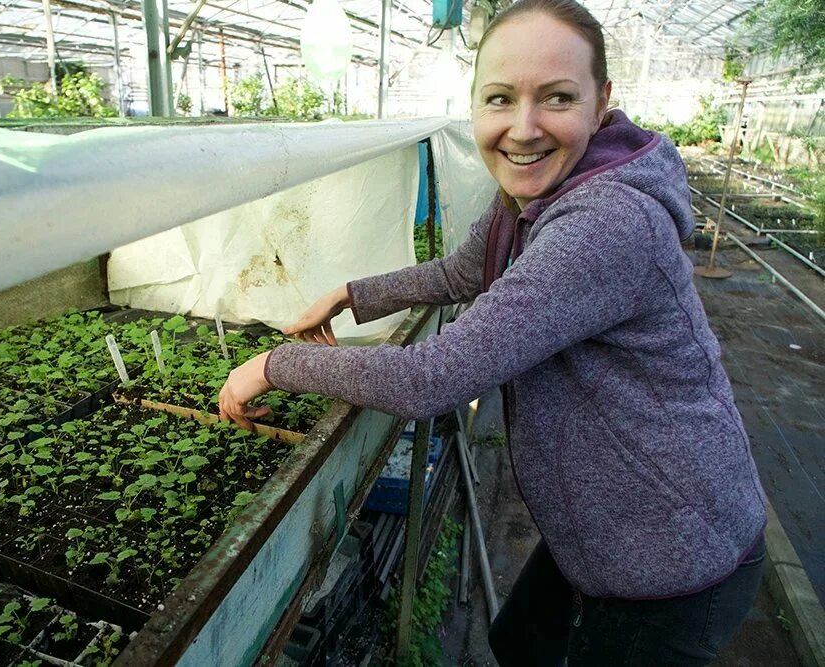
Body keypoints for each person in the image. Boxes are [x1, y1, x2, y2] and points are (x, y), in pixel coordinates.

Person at [217, 0, 767, 663]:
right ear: (475, 102)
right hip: (601, 530)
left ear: (601, 104)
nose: (523, 127)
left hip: (671, 551)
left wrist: (274, 364)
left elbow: (432, 377)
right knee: (517, 642)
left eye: (557, 97)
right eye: (501, 98)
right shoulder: (531, 195)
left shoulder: (607, 221)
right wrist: (349, 294)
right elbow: (464, 270)